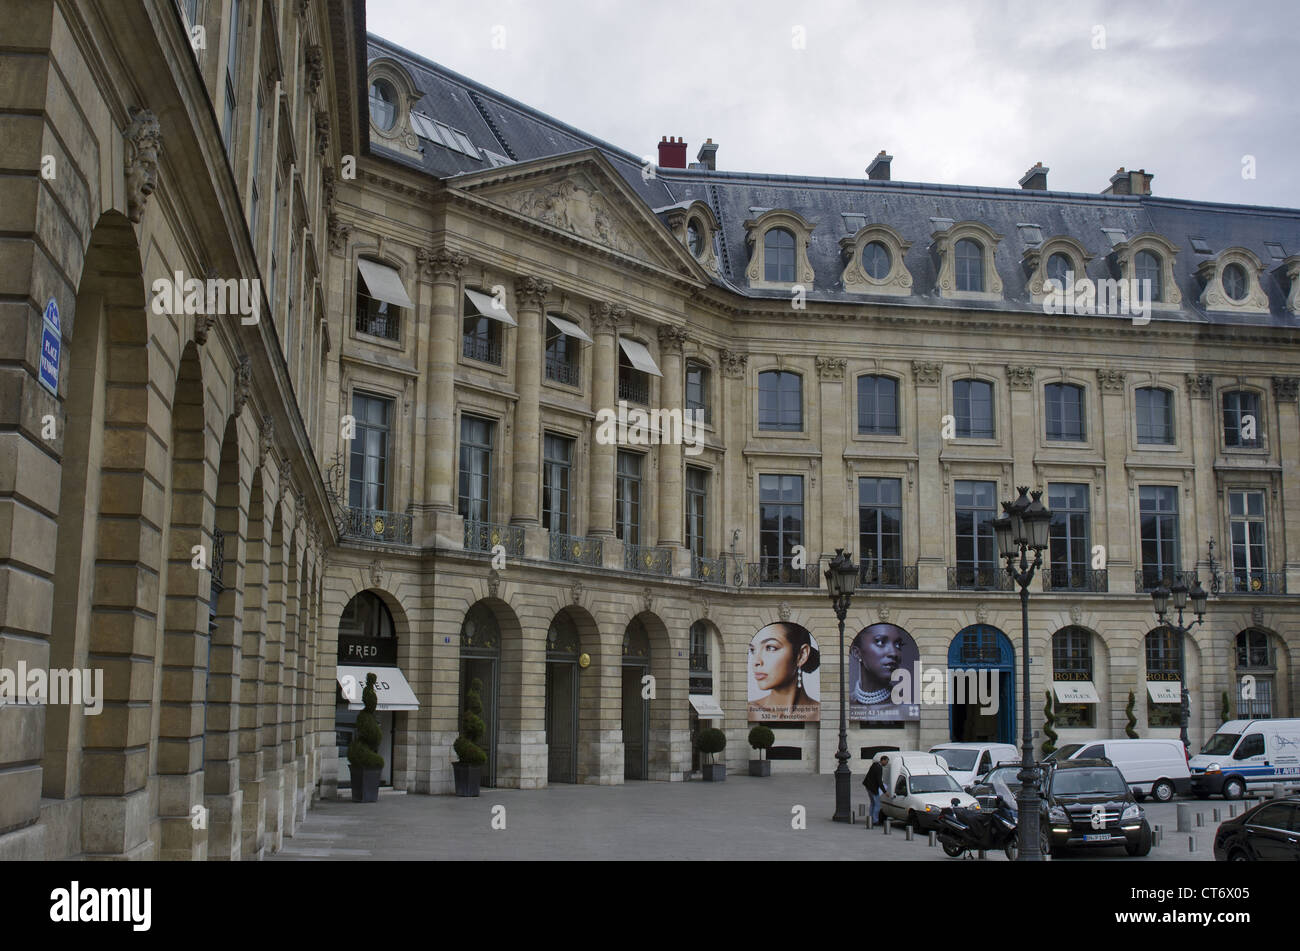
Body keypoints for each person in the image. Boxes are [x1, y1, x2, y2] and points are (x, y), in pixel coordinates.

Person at [748, 623, 820, 720]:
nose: (756, 662)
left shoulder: (820, 714)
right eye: (753, 650)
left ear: (802, 655)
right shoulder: (750, 711)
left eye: (770, 648)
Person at [851, 625, 908, 705]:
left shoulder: (905, 710)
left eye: (898, 645)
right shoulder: (844, 705)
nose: (894, 653)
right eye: (880, 642)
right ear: (857, 653)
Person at [863, 755, 889, 824]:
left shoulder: (875, 764)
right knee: (877, 804)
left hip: (868, 786)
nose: (886, 763)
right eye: (886, 762)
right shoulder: (879, 768)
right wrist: (885, 791)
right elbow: (879, 781)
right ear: (883, 760)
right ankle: (875, 820)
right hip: (873, 788)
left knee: (873, 803)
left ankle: (870, 818)